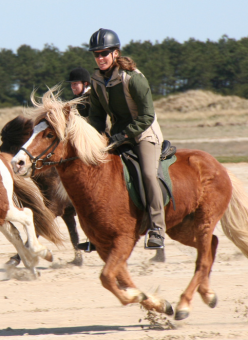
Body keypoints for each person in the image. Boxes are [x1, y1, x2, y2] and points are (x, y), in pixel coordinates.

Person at [86, 28, 167, 249]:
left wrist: (124, 134)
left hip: (144, 134)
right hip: (116, 137)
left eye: (104, 53)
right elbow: (96, 117)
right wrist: (91, 138)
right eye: (96, 54)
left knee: (149, 175)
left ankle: (157, 229)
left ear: (115, 53)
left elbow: (147, 116)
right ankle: (98, 230)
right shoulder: (95, 81)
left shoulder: (133, 78)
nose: (100, 58)